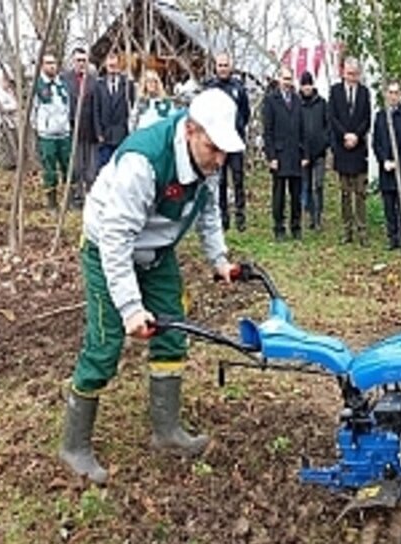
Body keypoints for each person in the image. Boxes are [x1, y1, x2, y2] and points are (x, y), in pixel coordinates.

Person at [58, 88, 244, 484]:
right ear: (191, 130)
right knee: (105, 346)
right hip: (107, 248)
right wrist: (129, 308)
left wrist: (220, 260)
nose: (221, 159)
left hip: (157, 253)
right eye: (214, 148)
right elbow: (115, 239)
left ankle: (167, 432)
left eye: (225, 151)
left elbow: (208, 212)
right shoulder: (143, 163)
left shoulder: (209, 162)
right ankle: (73, 446)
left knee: (172, 333)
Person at [204, 53, 251, 232]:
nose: (223, 68)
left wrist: (238, 127)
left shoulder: (238, 87)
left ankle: (240, 217)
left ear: (231, 67)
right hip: (217, 142)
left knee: (238, 178)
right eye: (220, 65)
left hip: (235, 140)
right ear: (216, 67)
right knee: (221, 180)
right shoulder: (210, 88)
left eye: (225, 65)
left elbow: (245, 113)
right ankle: (223, 217)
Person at [329, 57, 372, 245]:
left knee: (360, 193)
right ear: (343, 73)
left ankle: (362, 230)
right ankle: (347, 230)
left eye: (355, 74)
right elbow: (332, 117)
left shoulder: (364, 92)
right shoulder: (335, 91)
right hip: (342, 147)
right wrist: (345, 135)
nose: (352, 77)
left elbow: (367, 118)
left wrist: (356, 135)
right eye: (349, 74)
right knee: (345, 193)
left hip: (359, 148)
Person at [371, 80, 401, 251]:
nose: (393, 96)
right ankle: (393, 238)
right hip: (385, 168)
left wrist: (398, 160)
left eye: (396, 92)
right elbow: (376, 142)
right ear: (386, 94)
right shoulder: (380, 116)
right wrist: (384, 161)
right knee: (388, 205)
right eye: (390, 92)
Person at [262, 67, 304, 241]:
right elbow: (268, 131)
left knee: (296, 194)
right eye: (284, 78)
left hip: (295, 155)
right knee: (279, 194)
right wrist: (271, 157)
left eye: (290, 79)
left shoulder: (297, 100)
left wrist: (305, 154)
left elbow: (303, 130)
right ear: (279, 79)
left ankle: (296, 227)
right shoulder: (271, 101)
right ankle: (279, 228)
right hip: (279, 155)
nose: (287, 82)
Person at [33, 53, 72, 212]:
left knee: (67, 166)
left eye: (54, 63)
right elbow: (33, 111)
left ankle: (69, 200)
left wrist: (66, 125)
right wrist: (40, 128)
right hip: (46, 135)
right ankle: (52, 202)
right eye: (48, 63)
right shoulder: (38, 86)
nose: (52, 66)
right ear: (42, 65)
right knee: (49, 169)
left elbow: (68, 106)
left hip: (64, 133)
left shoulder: (62, 84)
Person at [61, 47, 98, 207]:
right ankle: (76, 196)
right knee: (76, 166)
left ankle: (91, 196)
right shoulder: (64, 79)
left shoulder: (93, 80)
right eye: (78, 60)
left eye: (84, 60)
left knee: (91, 166)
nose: (81, 63)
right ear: (72, 61)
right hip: (71, 127)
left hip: (90, 128)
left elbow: (97, 105)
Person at [298, 70, 329, 231]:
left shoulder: (322, 103)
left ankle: (318, 217)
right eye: (304, 85)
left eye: (309, 84)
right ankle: (309, 215)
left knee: (318, 185)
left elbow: (327, 125)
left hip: (320, 152)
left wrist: (325, 142)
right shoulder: (297, 104)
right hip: (303, 153)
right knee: (306, 185)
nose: (307, 88)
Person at [93, 52, 134, 171]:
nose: (112, 65)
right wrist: (98, 133)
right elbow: (96, 110)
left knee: (122, 168)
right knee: (105, 169)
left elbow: (132, 109)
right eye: (109, 63)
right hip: (105, 135)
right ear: (105, 65)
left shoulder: (127, 84)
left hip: (122, 134)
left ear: (119, 64)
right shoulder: (98, 85)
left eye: (114, 62)